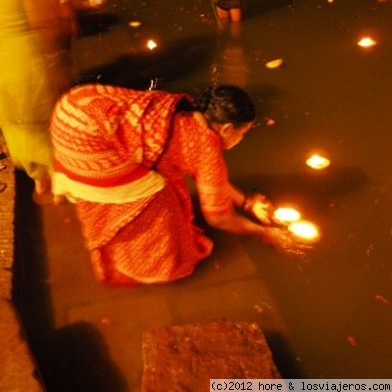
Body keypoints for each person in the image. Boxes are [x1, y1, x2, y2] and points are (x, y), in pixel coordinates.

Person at [50, 83, 305, 286]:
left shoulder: (184, 107)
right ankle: (144, 263)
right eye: (243, 133)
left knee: (169, 183)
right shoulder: (205, 150)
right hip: (86, 139)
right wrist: (265, 233)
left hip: (75, 106)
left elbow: (211, 181)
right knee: (159, 199)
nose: (242, 138)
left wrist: (247, 203)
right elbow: (220, 219)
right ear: (227, 129)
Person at [0, 0, 71, 202]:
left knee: (17, 126)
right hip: (27, 62)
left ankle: (38, 178)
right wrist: (58, 63)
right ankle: (61, 184)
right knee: (48, 123)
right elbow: (45, 24)